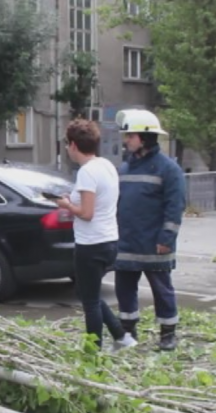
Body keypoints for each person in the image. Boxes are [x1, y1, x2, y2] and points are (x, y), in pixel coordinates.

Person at [55, 119, 137, 352]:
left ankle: (93, 353)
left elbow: (87, 213)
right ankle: (122, 337)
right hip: (109, 239)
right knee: (87, 292)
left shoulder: (87, 172)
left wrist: (65, 205)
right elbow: (101, 203)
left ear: (73, 145)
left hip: (91, 244)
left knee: (89, 301)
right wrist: (73, 202)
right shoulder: (106, 166)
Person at [113, 109, 187, 352]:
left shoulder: (168, 169)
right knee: (124, 289)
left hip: (156, 244)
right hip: (127, 243)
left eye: (130, 136)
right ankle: (127, 331)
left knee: (162, 290)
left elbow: (175, 207)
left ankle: (168, 334)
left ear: (144, 137)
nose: (126, 140)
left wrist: (166, 238)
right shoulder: (124, 169)